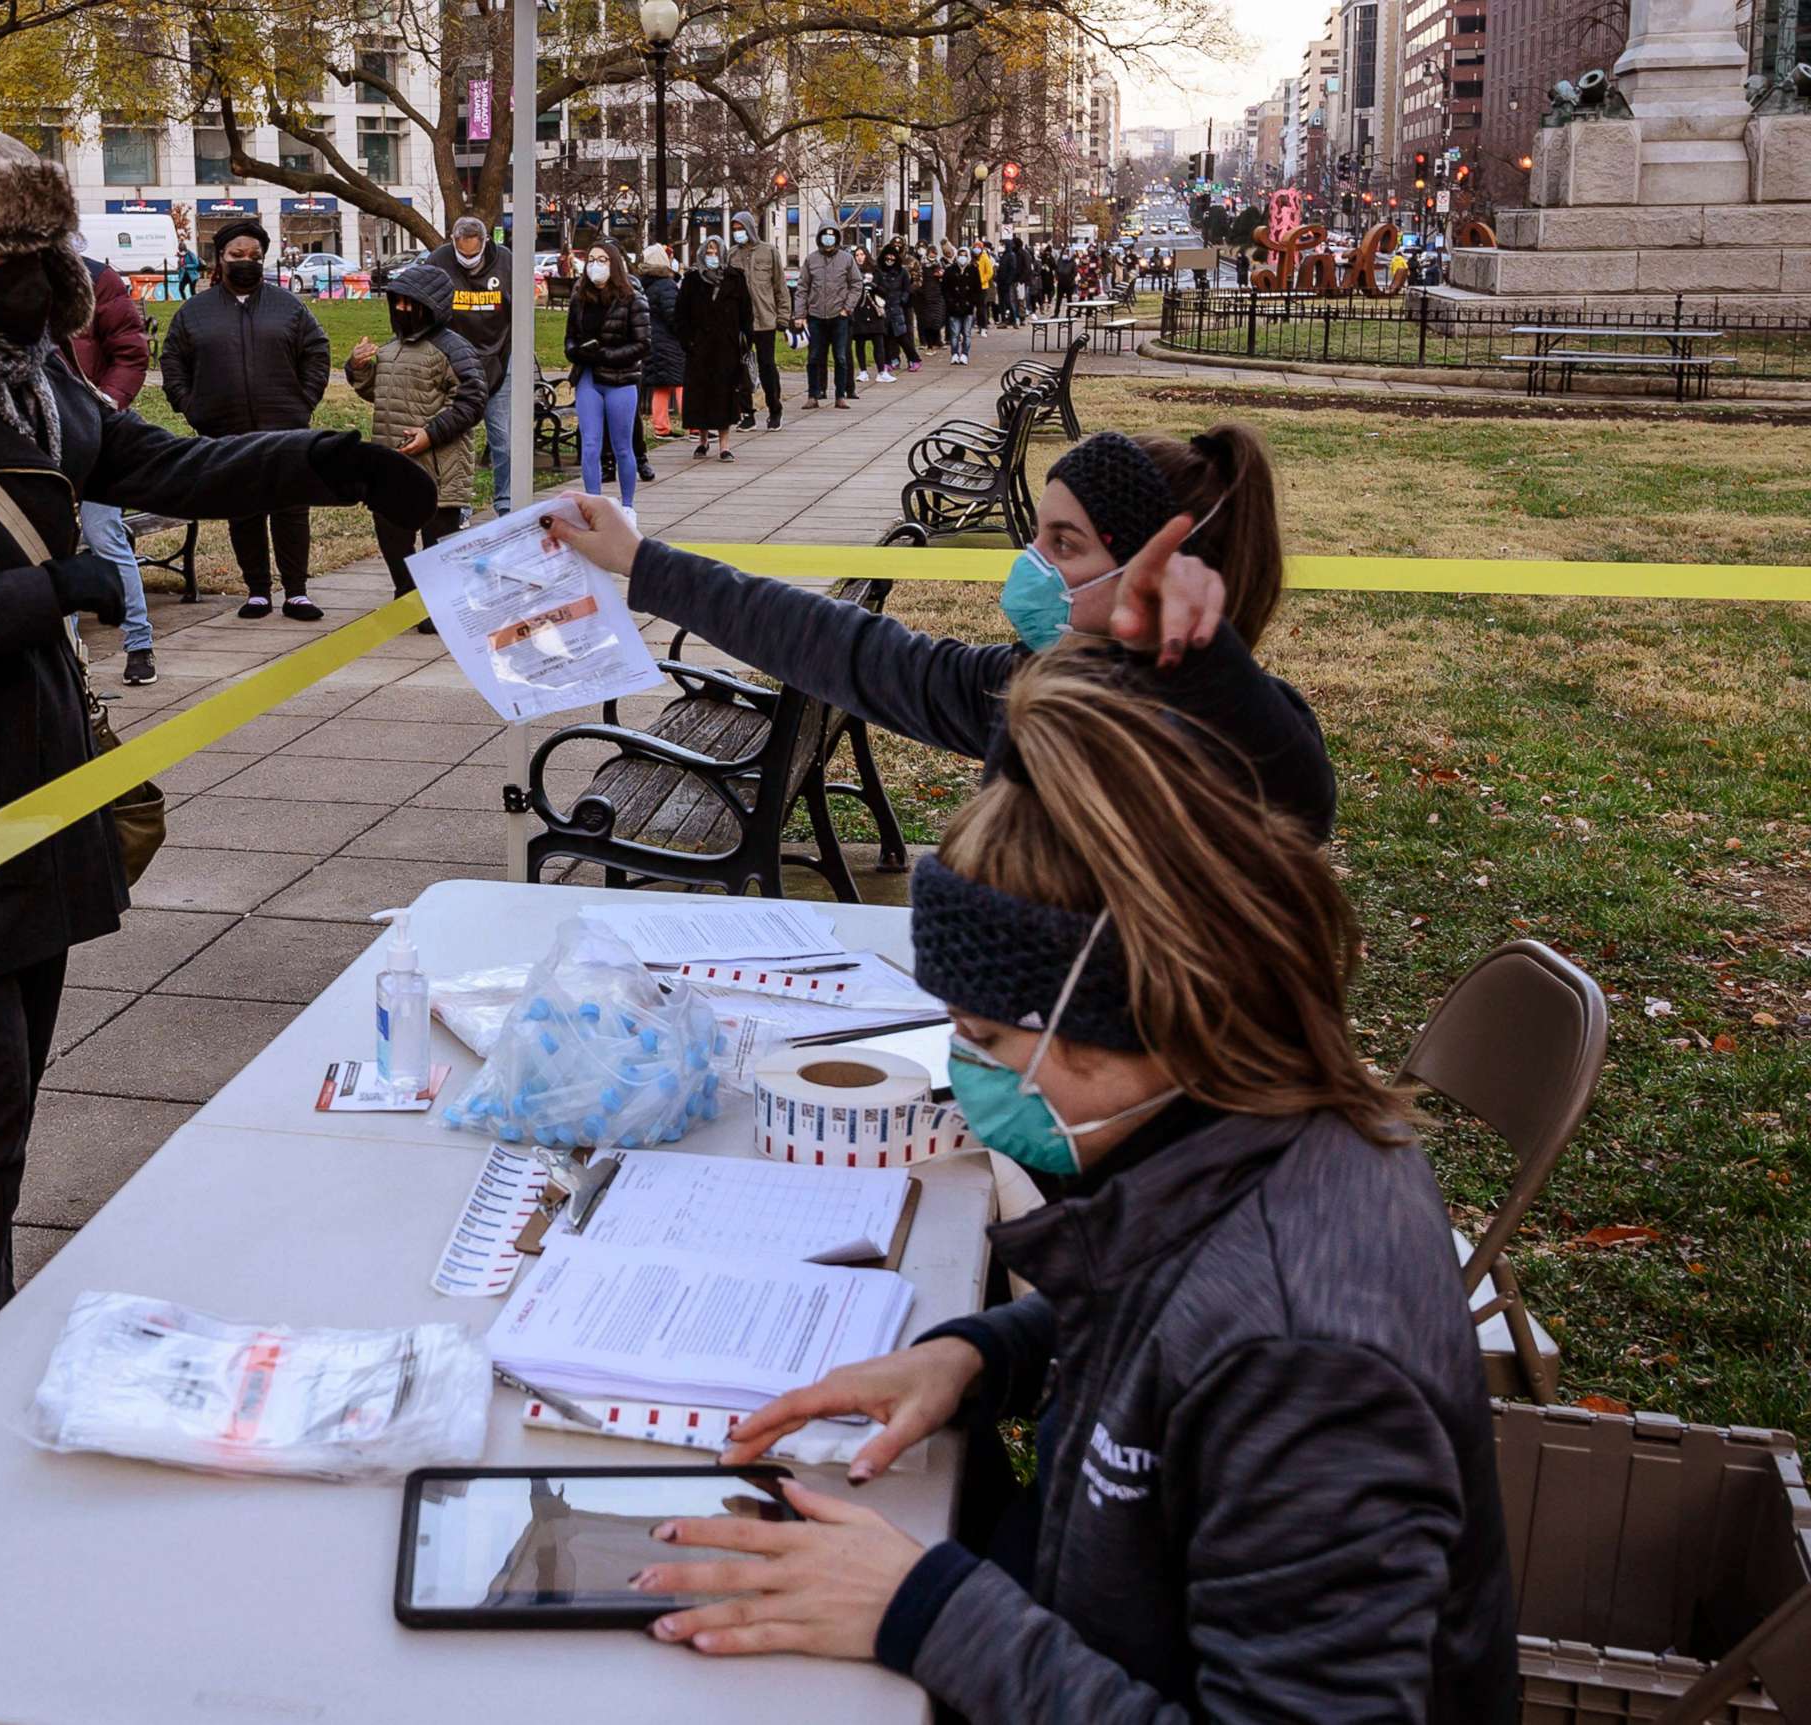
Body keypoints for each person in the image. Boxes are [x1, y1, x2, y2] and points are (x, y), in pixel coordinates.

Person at [619, 643, 1518, 1721]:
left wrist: (922, 1612)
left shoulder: (1308, 1364)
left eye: (989, 1038)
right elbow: (1170, 1318)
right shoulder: (1252, 1128)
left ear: (1144, 1016)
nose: (969, 1073)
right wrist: (983, 1353)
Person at [0, 124, 432, 1373]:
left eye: (39, 243)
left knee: (9, 1093)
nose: (27, 273)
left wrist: (331, 461)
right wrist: (49, 589)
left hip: (43, 785)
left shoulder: (40, 387)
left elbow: (170, 464)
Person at [542, 424, 1336, 841]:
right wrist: (640, 561)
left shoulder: (1233, 731)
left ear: (1156, 575)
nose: (1030, 567)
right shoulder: (1037, 689)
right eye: (1039, 535)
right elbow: (838, 645)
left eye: (1065, 546)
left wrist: (1210, 670)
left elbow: (1299, 797)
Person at [159, 216, 331, 620]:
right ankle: (256, 589)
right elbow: (172, 361)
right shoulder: (194, 313)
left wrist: (303, 401)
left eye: (254, 256)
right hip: (225, 428)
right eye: (237, 255)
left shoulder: (288, 306)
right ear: (220, 258)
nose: (246, 262)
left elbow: (317, 352)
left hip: (285, 426)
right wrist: (190, 405)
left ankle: (296, 592)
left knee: (290, 507)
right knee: (244, 507)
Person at [345, 260, 487, 634]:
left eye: (412, 304)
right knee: (391, 533)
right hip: (393, 465)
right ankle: (407, 596)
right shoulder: (392, 349)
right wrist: (359, 368)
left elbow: (471, 402)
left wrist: (431, 433)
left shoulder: (455, 350)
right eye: (399, 303)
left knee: (437, 541)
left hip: (440, 466)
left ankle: (437, 606)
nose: (404, 310)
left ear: (433, 307)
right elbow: (377, 392)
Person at [61, 244, 158, 685]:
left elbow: (130, 354)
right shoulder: (8, 276)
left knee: (105, 537)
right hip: (35, 440)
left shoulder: (98, 278)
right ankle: (69, 657)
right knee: (50, 549)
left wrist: (103, 406)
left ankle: (138, 643)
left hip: (94, 434)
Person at [424, 214, 513, 516]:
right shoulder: (438, 261)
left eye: (474, 254)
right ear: (452, 241)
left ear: (486, 243)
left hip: (498, 356)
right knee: (457, 442)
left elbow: (521, 308)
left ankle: (506, 504)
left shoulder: (506, 262)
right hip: (455, 363)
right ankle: (458, 507)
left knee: (504, 440)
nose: (469, 260)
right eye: (463, 254)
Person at [562, 241, 647, 512]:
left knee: (623, 447)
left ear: (614, 264)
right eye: (591, 260)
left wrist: (607, 355)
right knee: (590, 444)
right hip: (588, 377)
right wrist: (578, 353)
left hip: (620, 380)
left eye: (602, 260)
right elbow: (570, 339)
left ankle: (627, 507)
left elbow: (643, 343)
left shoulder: (632, 297)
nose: (595, 265)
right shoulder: (579, 298)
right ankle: (593, 505)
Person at [677, 235, 752, 463]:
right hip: (699, 347)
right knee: (700, 393)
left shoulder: (735, 278)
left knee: (724, 393)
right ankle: (702, 439)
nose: (712, 256)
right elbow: (680, 315)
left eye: (715, 252)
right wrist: (688, 341)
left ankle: (724, 445)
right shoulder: (692, 280)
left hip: (726, 347)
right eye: (708, 252)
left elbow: (746, 312)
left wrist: (745, 341)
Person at [724, 210, 790, 429]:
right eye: (734, 230)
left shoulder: (769, 252)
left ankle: (775, 408)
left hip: (765, 320)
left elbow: (780, 287)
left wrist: (783, 316)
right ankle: (747, 413)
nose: (738, 233)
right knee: (741, 368)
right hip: (740, 322)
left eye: (740, 228)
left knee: (767, 366)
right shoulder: (732, 255)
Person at [798, 225, 860, 409]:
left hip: (839, 316)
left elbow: (856, 285)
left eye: (832, 236)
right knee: (814, 357)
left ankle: (840, 395)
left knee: (840, 357)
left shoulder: (847, 259)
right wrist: (800, 314)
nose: (828, 239)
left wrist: (847, 308)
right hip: (816, 316)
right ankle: (813, 394)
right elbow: (802, 288)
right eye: (825, 236)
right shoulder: (811, 260)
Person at [637, 241, 687, 440]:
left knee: (661, 386)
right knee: (682, 384)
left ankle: (661, 427)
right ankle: (694, 426)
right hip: (669, 343)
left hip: (652, 342)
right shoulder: (666, 285)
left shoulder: (644, 285)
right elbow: (673, 315)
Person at [873, 241, 915, 378]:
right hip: (883, 306)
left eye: (892, 258)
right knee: (885, 336)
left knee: (902, 336)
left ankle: (913, 359)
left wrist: (902, 300)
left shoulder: (902, 272)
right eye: (887, 258)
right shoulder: (879, 271)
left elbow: (907, 288)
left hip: (897, 306)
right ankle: (889, 361)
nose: (890, 261)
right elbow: (876, 287)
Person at [941, 244, 981, 364]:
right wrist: (950, 302)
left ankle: (965, 354)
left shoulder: (973, 270)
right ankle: (954, 353)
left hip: (968, 307)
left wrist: (973, 303)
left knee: (967, 333)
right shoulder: (950, 271)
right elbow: (945, 289)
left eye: (964, 255)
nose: (962, 258)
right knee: (955, 333)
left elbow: (977, 289)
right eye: (960, 255)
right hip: (954, 307)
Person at [849, 245, 882, 383]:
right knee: (860, 342)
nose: (859, 257)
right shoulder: (852, 272)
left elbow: (884, 290)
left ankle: (882, 370)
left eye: (862, 254)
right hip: (859, 311)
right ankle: (863, 371)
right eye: (857, 255)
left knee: (878, 342)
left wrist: (874, 286)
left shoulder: (875, 271)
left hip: (874, 311)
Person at [913, 243, 947, 351]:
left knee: (937, 319)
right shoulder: (920, 264)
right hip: (923, 296)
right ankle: (925, 341)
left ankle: (937, 340)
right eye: (931, 253)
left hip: (936, 295)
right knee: (924, 320)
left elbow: (944, 278)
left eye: (935, 253)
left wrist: (941, 276)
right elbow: (917, 279)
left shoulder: (938, 264)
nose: (933, 255)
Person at [972, 239, 996, 331]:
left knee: (981, 307)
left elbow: (989, 272)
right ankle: (978, 325)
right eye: (975, 247)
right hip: (973, 287)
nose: (976, 249)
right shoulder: (972, 258)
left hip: (982, 286)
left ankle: (983, 326)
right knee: (976, 308)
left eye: (978, 247)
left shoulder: (985, 257)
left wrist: (981, 280)